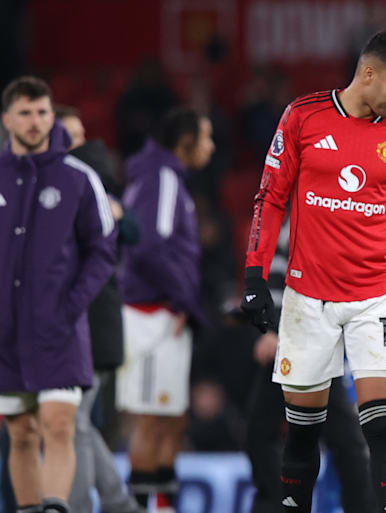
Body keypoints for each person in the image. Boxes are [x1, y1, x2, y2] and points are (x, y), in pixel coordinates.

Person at [239, 27, 386, 513]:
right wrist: (254, 277)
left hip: (376, 298)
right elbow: (271, 198)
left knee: (383, 426)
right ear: (368, 74)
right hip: (309, 300)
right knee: (302, 435)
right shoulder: (303, 117)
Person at [0, 76, 118, 513]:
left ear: (53, 117)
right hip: (7, 333)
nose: (35, 122)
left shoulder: (78, 177)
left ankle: (55, 507)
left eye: (42, 112)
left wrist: (71, 305)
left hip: (60, 331)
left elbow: (104, 248)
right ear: (7, 118)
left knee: (59, 424)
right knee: (21, 432)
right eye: (26, 112)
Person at [117, 107, 214, 513]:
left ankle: (163, 505)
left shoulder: (166, 177)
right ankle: (142, 507)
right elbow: (148, 245)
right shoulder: (163, 177)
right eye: (206, 138)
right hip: (151, 315)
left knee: (171, 418)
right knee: (150, 420)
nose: (211, 147)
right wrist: (181, 300)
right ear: (185, 141)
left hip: (167, 314)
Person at [244, 221, 377, 513]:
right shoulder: (296, 218)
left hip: (311, 341)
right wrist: (272, 328)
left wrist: (279, 330)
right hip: (290, 345)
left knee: (340, 439)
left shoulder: (323, 217)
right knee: (265, 432)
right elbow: (278, 275)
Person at [56, 106, 144, 513]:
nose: (78, 143)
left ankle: (96, 506)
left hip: (91, 324)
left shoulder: (89, 183)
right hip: (82, 323)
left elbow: (132, 230)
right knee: (75, 425)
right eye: (68, 135)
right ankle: (119, 503)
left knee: (71, 424)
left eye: (79, 134)